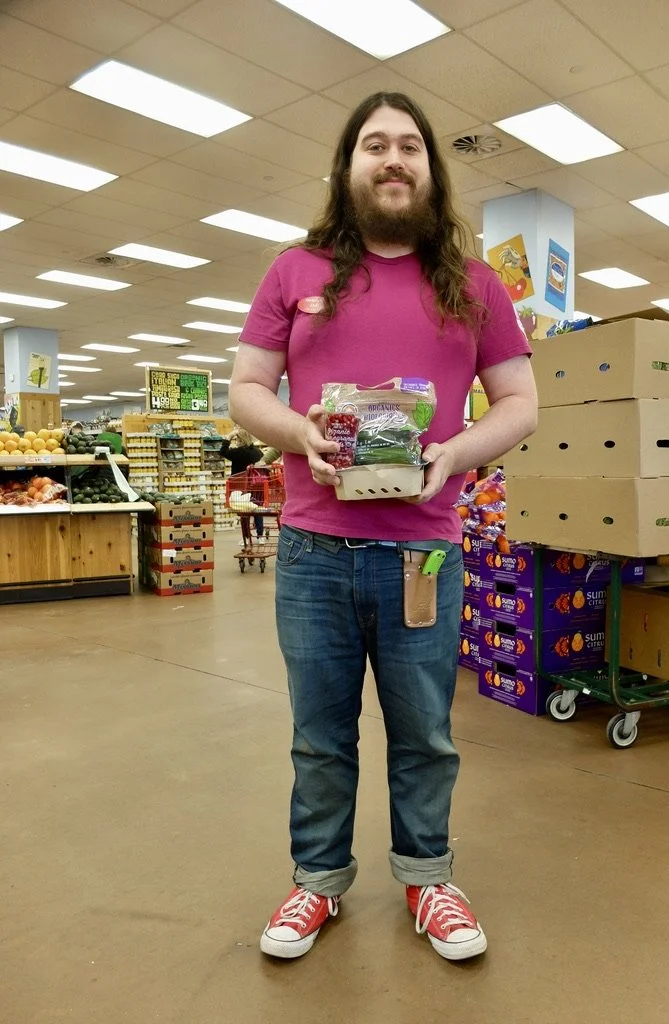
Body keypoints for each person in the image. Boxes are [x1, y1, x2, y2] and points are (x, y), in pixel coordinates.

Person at [229, 91, 537, 962]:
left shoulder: (476, 286)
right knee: (319, 734)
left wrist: (454, 452)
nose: (393, 159)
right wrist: (299, 434)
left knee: (425, 732)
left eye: (410, 145)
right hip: (313, 548)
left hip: (422, 553)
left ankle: (427, 876)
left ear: (431, 169)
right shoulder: (295, 271)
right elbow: (247, 387)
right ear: (349, 165)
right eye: (375, 145)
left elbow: (520, 403)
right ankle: (317, 883)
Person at [220, 427, 265, 540]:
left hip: (241, 487)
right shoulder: (258, 452)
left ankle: (246, 536)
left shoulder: (237, 453)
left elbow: (222, 452)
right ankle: (260, 536)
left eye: (236, 439)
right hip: (256, 486)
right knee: (256, 509)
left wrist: (228, 437)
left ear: (240, 440)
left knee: (244, 513)